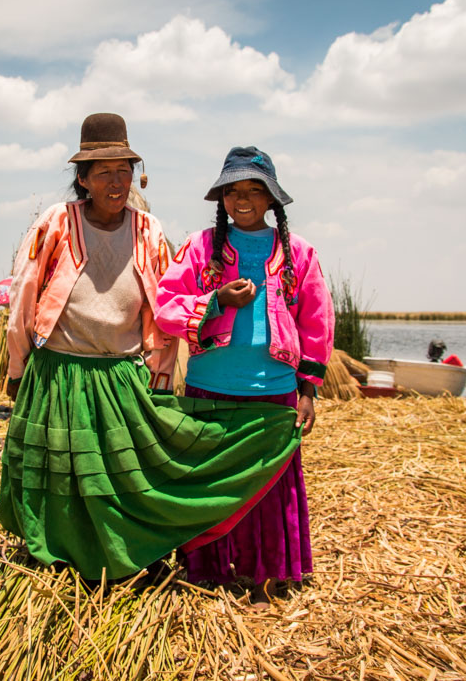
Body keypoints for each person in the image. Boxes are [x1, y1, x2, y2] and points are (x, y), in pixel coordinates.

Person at [0, 115, 303, 583]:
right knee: (60, 472)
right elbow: (24, 295)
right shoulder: (57, 224)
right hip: (59, 370)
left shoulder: (147, 230)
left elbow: (162, 309)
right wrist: (18, 368)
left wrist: (160, 377)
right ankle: (60, 557)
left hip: (122, 372)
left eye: (123, 170)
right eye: (103, 172)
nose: (116, 182)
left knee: (120, 477)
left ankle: (117, 558)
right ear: (82, 179)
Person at [155, 146, 334, 606]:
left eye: (255, 190)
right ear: (222, 199)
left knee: (268, 489)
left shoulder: (298, 253)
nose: (243, 199)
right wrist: (216, 302)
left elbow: (316, 321)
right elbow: (166, 306)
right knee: (209, 484)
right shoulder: (201, 248)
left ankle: (267, 575)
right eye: (233, 191)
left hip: (272, 393)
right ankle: (209, 571)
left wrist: (307, 390)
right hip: (210, 388)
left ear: (272, 198)